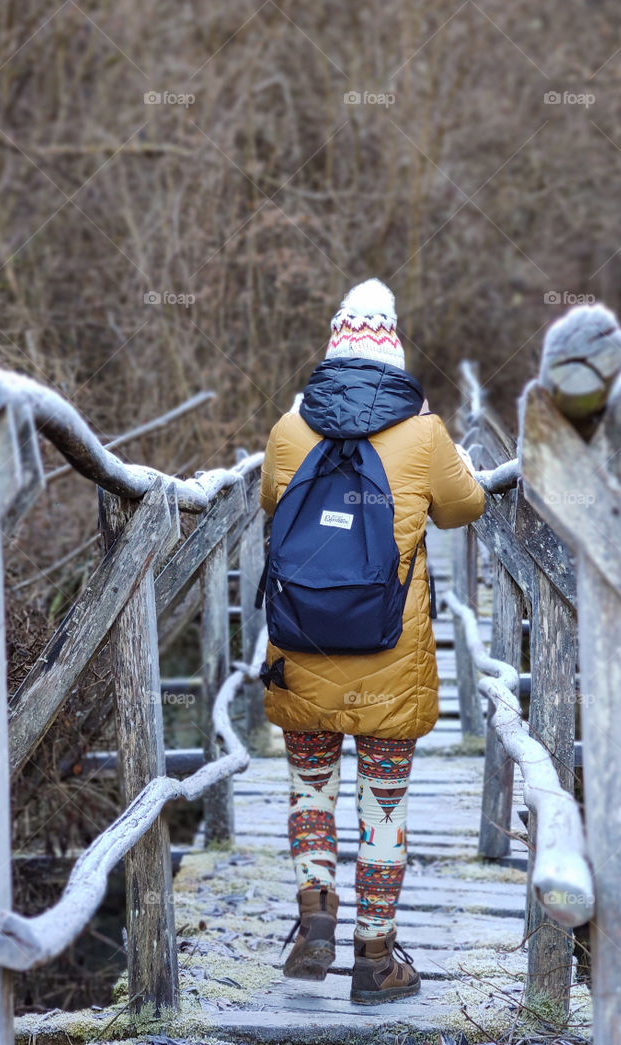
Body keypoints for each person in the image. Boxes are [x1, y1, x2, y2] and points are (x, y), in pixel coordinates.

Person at [258, 279, 485, 1004]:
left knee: (310, 789)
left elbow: (271, 503)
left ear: (331, 350)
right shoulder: (422, 433)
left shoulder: (290, 429)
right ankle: (375, 957)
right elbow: (464, 506)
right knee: (383, 803)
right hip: (391, 655)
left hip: (302, 647)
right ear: (392, 352)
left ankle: (314, 914)